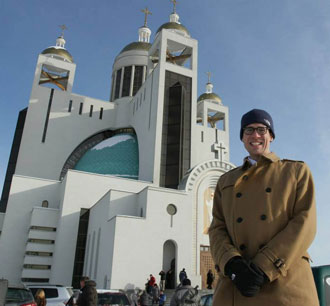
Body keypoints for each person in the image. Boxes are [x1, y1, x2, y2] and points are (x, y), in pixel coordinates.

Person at [209, 109, 319, 305]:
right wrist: (232, 264)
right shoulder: (226, 181)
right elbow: (217, 227)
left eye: (262, 129)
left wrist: (264, 266)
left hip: (285, 283)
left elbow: (305, 222)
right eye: (248, 130)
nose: (255, 135)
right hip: (237, 286)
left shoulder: (296, 171)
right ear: (242, 138)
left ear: (271, 136)